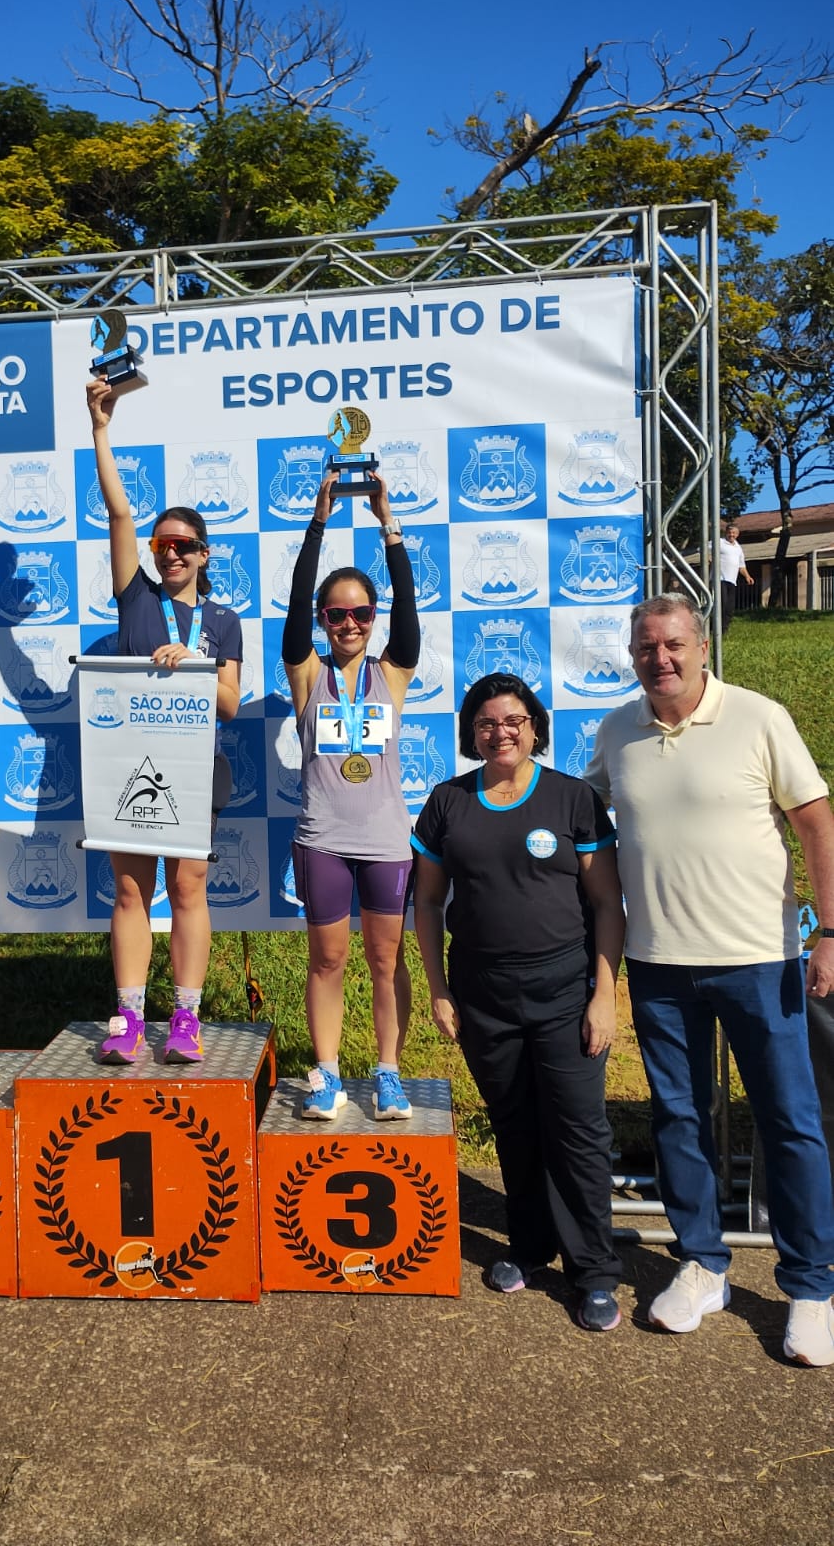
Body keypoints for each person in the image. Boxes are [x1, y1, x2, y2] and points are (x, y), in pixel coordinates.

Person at [586, 592, 834, 1365]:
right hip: (659, 963)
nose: (659, 659)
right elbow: (580, 816)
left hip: (759, 959)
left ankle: (810, 1288)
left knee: (789, 1122)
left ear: (701, 647)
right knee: (679, 1119)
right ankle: (703, 1265)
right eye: (645, 648)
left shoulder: (759, 718)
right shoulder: (617, 731)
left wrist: (830, 933)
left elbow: (816, 822)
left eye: (672, 645)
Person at [412, 673, 626, 1333]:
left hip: (564, 991)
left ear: (535, 727)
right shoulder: (447, 802)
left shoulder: (573, 799)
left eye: (513, 720)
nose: (499, 732)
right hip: (482, 995)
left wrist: (604, 995)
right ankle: (530, 1248)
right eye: (485, 722)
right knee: (514, 1123)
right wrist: (439, 989)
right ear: (470, 733)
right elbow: (427, 903)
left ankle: (593, 1272)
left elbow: (606, 905)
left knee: (578, 1131)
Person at [87, 376, 243, 1063]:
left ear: (204, 554)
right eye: (162, 545)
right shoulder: (136, 599)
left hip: (194, 766)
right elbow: (119, 514)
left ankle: (185, 1017)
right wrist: (101, 428)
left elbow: (232, 703)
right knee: (130, 889)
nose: (171, 552)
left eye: (184, 545)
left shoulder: (224, 620)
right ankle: (127, 1017)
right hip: (130, 760)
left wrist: (197, 667)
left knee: (186, 888)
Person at [281, 470, 419, 1122]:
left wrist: (388, 524)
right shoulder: (307, 673)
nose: (349, 624)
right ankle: (328, 1073)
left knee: (387, 960)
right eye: (335, 614)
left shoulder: (393, 672)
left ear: (373, 619)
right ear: (323, 621)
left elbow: (409, 610)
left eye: (361, 613)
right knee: (328, 960)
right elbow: (294, 606)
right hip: (324, 840)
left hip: (386, 840)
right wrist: (318, 522)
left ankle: (389, 1072)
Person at [718, 523, 753, 635]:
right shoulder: (719, 542)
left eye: (734, 533)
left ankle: (724, 630)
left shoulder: (738, 548)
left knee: (729, 608)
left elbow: (741, 565)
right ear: (726, 533)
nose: (731, 535)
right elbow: (701, 548)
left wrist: (747, 576)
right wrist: (708, 557)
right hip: (719, 579)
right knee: (722, 605)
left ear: (737, 534)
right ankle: (714, 628)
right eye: (729, 532)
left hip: (732, 580)